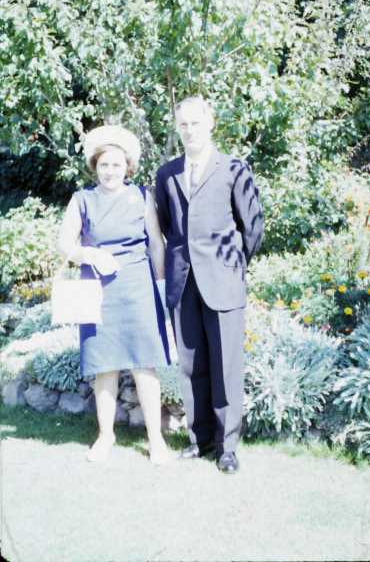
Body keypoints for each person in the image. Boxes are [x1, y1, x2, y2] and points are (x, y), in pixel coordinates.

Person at [155, 96, 264, 473]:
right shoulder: (167, 173)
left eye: (196, 123)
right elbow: (167, 225)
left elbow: (252, 227)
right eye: (183, 124)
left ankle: (227, 446)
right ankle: (199, 440)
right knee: (191, 366)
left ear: (210, 123)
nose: (189, 131)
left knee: (226, 366)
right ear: (177, 128)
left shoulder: (234, 168)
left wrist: (233, 266)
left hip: (223, 281)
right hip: (183, 282)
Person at [58, 125, 170, 464]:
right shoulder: (82, 200)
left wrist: (161, 286)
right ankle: (105, 436)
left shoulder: (142, 197)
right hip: (97, 289)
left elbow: (156, 243)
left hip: (138, 288)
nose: (110, 171)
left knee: (144, 365)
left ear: (127, 167)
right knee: (103, 366)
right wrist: (88, 254)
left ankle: (156, 440)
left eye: (117, 165)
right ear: (96, 166)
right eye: (104, 165)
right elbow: (65, 244)